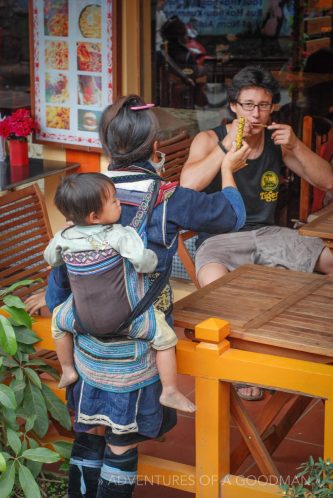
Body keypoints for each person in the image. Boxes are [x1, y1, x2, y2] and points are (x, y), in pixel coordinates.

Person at [44, 94, 250, 498]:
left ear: (106, 145)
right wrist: (228, 170)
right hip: (141, 341)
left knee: (89, 431)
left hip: (85, 340)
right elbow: (233, 216)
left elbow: (61, 275)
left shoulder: (87, 197)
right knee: (122, 439)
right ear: (155, 149)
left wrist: (56, 307)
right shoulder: (168, 198)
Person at [180, 65, 333, 401]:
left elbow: (327, 180)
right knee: (217, 286)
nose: (255, 113)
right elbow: (186, 188)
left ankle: (314, 345)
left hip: (268, 233)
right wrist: (226, 148)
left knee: (330, 262)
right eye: (248, 105)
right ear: (234, 106)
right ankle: (241, 366)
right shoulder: (209, 139)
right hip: (218, 239)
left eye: (263, 105)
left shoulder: (278, 141)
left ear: (272, 108)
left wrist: (296, 147)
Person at [44, 172, 195, 413]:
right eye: (113, 200)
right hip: (125, 320)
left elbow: (51, 258)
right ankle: (170, 391)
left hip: (80, 319)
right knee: (165, 339)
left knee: (57, 323)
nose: (119, 203)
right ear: (94, 216)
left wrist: (67, 242)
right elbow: (143, 263)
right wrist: (153, 259)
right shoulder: (119, 235)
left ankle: (68, 370)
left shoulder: (63, 238)